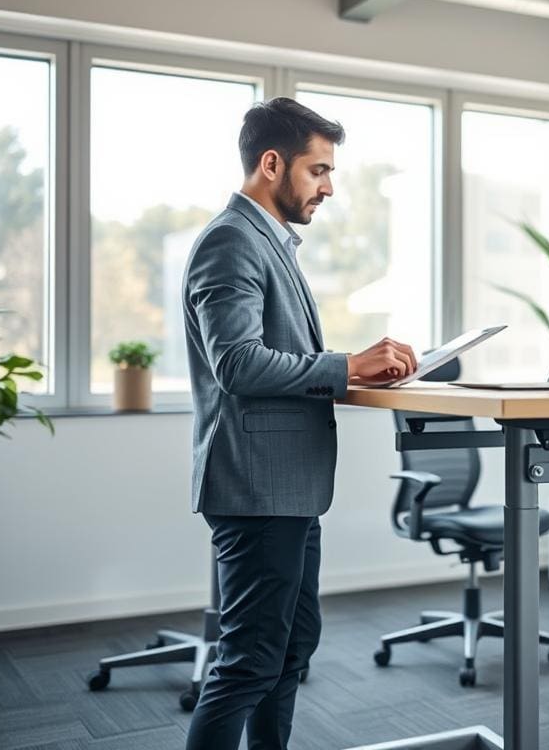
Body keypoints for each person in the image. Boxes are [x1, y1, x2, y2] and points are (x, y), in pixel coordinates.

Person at [181, 97, 417, 749]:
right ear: (271, 163)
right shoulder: (231, 241)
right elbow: (237, 364)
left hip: (286, 487)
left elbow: (274, 355)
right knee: (247, 663)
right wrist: (346, 366)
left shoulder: (268, 243)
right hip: (257, 490)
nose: (330, 187)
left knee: (287, 653)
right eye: (318, 170)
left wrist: (361, 371)